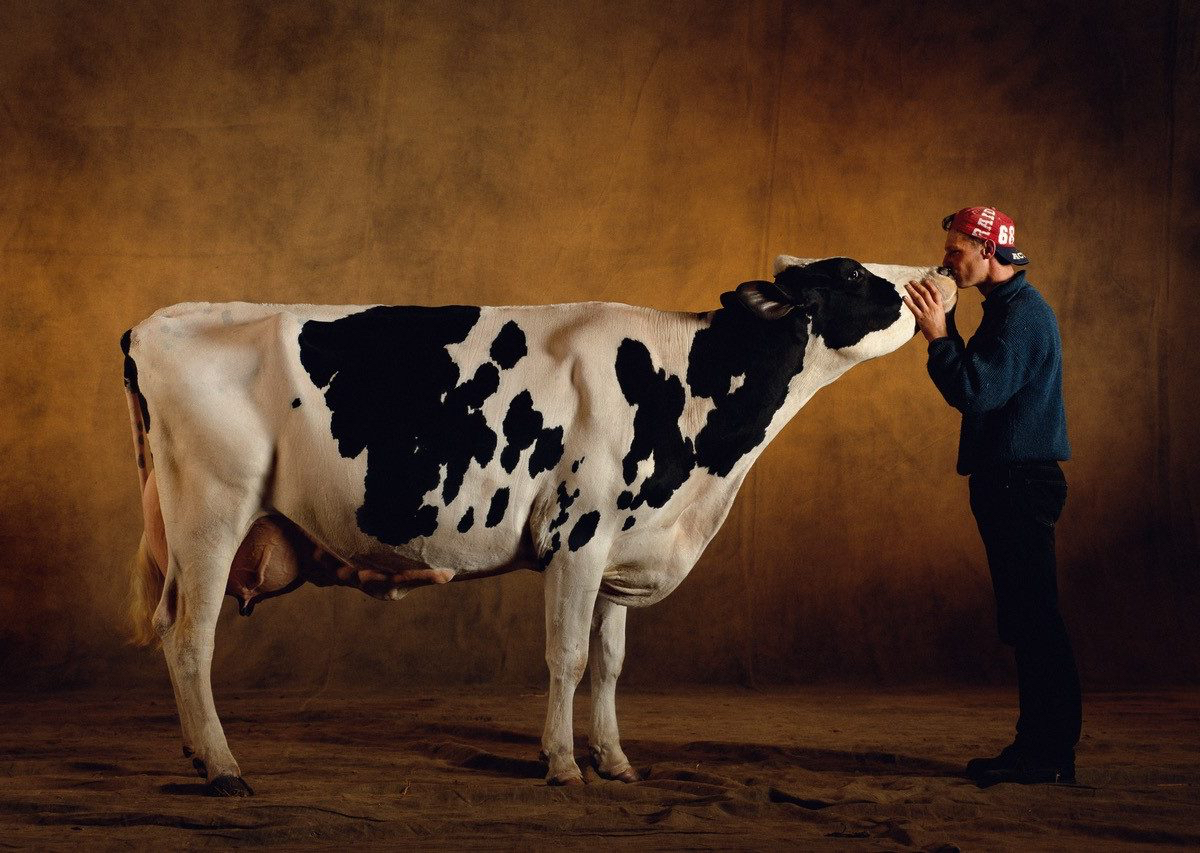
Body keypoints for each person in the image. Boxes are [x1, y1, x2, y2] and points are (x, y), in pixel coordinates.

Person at [903, 207, 1081, 787]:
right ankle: (1040, 748)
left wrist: (938, 334)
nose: (947, 261)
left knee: (1035, 621)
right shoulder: (1007, 311)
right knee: (1028, 619)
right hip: (1012, 481)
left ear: (987, 252)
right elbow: (985, 385)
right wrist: (949, 331)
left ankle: (1047, 755)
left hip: (1020, 483)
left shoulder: (1021, 317)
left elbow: (975, 391)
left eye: (957, 251)